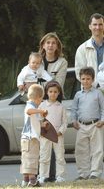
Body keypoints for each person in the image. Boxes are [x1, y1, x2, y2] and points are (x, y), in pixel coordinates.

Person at [38, 32, 68, 181]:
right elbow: (29, 77)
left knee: (56, 145)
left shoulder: (62, 62)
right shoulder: (37, 61)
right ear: (43, 45)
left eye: (53, 43)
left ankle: (56, 175)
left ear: (57, 46)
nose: (50, 45)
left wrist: (45, 89)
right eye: (48, 42)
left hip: (54, 102)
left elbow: (58, 84)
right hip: (39, 104)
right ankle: (41, 175)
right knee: (43, 144)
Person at [71, 67, 104, 180]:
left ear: (93, 79)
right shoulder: (78, 95)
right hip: (81, 125)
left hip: (96, 125)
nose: (86, 81)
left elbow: (103, 109)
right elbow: (74, 109)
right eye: (83, 79)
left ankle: (95, 173)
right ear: (80, 79)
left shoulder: (98, 93)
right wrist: (74, 121)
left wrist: (102, 120)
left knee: (97, 149)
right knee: (81, 150)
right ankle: (83, 173)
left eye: (88, 79)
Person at [38, 81, 67, 184]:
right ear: (46, 92)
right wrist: (42, 129)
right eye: (50, 91)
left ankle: (60, 176)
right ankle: (42, 176)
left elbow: (64, 123)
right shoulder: (42, 105)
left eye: (55, 92)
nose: (53, 94)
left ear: (59, 93)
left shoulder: (61, 107)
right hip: (45, 136)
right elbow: (39, 120)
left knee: (60, 156)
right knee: (44, 156)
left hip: (58, 136)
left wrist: (60, 132)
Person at [20, 84, 48, 187]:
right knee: (31, 158)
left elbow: (34, 121)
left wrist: (42, 124)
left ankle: (26, 179)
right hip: (30, 138)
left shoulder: (33, 107)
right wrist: (40, 111)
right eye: (41, 99)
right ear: (38, 98)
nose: (41, 102)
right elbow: (29, 111)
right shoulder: (30, 106)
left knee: (27, 158)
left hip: (29, 137)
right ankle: (32, 180)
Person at [75, 13, 104, 86]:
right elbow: (79, 73)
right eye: (95, 24)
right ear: (90, 26)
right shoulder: (82, 49)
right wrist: (92, 85)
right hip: (90, 91)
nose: (97, 27)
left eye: (100, 24)